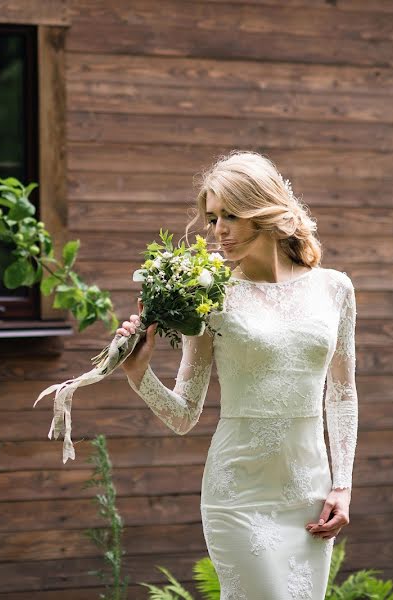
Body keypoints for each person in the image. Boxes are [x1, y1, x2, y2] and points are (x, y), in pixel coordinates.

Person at [118, 150, 358, 599]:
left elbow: (342, 394)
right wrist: (140, 374)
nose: (218, 231)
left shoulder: (334, 288)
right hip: (238, 493)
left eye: (230, 215)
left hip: (309, 490)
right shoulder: (211, 298)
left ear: (262, 212)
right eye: (212, 218)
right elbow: (184, 413)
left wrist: (342, 486)